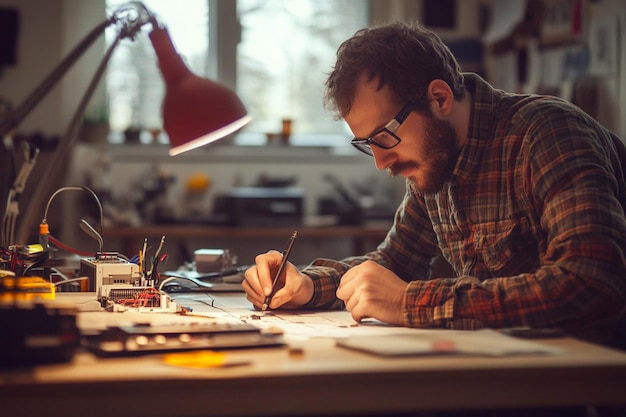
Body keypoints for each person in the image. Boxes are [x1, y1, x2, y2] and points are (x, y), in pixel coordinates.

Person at [243, 21, 626, 349]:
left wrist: (411, 302)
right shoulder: (435, 165)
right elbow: (394, 263)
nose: (380, 162)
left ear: (439, 98)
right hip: (505, 370)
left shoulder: (548, 134)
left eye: (384, 137)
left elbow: (591, 283)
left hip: (588, 380)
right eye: (367, 145)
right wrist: (308, 286)